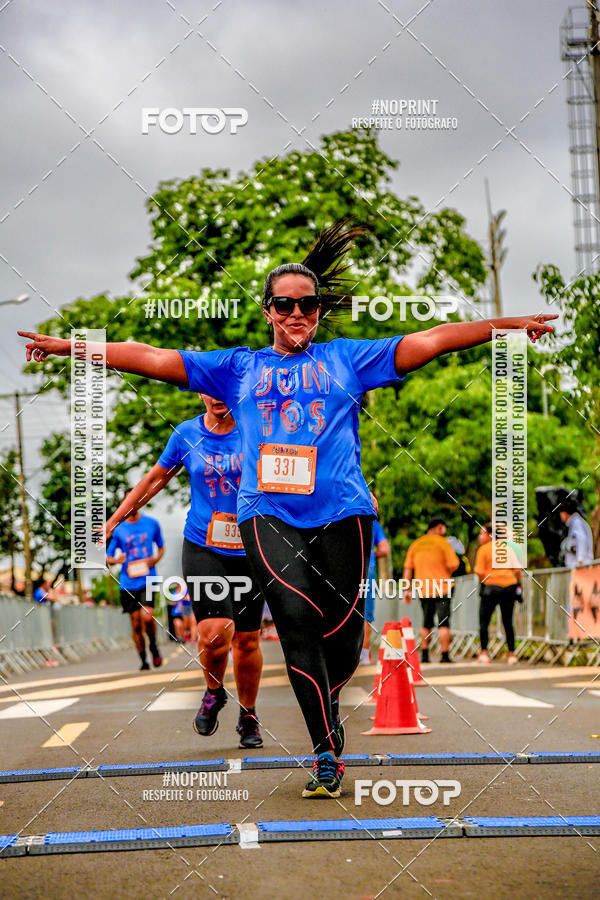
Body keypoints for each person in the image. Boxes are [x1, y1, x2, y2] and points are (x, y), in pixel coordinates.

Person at [19, 220, 556, 797]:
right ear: (270, 311)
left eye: (308, 304)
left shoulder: (349, 359)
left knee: (344, 638)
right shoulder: (238, 369)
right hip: (266, 515)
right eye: (285, 304)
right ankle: (325, 751)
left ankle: (327, 703)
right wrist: (72, 349)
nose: (297, 313)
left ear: (319, 311)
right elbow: (148, 356)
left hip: (342, 513)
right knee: (297, 622)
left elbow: (431, 338)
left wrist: (503, 328)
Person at [104, 394, 264, 749]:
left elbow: (306, 462)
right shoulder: (187, 435)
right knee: (213, 634)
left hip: (251, 546)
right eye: (209, 388)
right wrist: (113, 521)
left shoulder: (258, 426)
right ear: (200, 393)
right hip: (204, 545)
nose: (218, 396)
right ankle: (213, 692)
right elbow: (151, 480)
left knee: (248, 639)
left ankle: (249, 715)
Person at [106, 510, 165, 671]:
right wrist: (117, 560)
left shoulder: (151, 523)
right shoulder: (119, 529)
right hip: (127, 582)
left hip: (148, 578)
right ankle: (144, 660)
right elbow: (108, 557)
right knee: (136, 624)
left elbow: (161, 547)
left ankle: (153, 646)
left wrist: (155, 559)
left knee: (147, 616)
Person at [402, 515, 459, 663]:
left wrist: (406, 589)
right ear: (439, 527)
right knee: (443, 622)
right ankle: (445, 655)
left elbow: (408, 569)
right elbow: (454, 564)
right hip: (443, 588)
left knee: (426, 622)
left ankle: (425, 655)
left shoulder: (416, 544)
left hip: (424, 589)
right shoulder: (443, 543)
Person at [474, 523, 521, 665]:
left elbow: (479, 571)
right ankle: (512, 654)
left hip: (490, 588)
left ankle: (484, 654)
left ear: (489, 535)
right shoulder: (507, 548)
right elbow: (517, 570)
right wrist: (519, 585)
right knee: (508, 622)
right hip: (509, 587)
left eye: (482, 533)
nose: (479, 536)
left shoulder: (483, 550)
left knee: (484, 621)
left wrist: (486, 582)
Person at [360, 518, 390, 665]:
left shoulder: (343, 516)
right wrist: (371, 552)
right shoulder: (373, 524)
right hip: (368, 567)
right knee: (366, 612)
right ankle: (364, 654)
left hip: (345, 567)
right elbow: (385, 549)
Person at [559, 498, 594, 568]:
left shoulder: (576, 523)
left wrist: (580, 560)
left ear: (564, 513)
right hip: (579, 565)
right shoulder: (574, 523)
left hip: (582, 565)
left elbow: (582, 539)